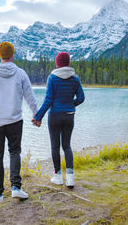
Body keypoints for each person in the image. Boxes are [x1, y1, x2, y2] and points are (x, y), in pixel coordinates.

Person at [0, 41, 38, 203]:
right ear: (12, 55)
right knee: (15, 152)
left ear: (0, 55)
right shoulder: (20, 73)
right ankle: (16, 188)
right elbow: (30, 96)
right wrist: (36, 114)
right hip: (15, 121)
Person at [32, 52, 85, 187]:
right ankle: (70, 177)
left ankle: (58, 176)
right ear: (68, 63)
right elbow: (81, 98)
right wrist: (71, 105)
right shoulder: (75, 79)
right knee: (67, 145)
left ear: (57, 63)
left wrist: (38, 117)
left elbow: (48, 100)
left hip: (55, 115)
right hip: (69, 116)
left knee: (55, 146)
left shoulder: (52, 78)